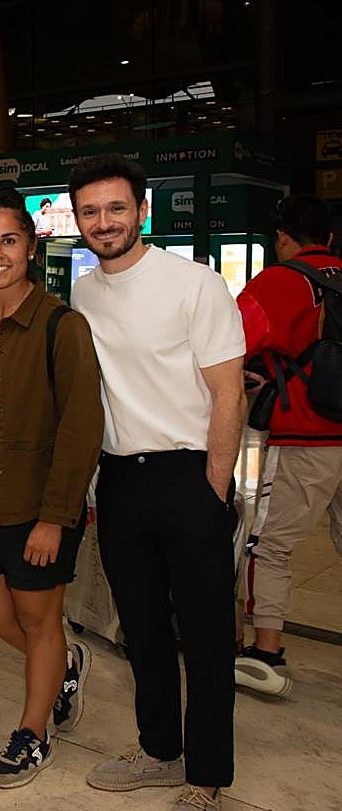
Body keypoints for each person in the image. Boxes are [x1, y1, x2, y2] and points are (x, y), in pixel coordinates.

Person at [70, 154, 246, 811]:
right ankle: (160, 752)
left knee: (205, 637)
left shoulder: (195, 284)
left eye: (116, 208)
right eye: (91, 211)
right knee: (140, 632)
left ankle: (208, 774)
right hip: (120, 480)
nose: (104, 221)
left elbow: (229, 395)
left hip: (189, 474)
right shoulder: (85, 293)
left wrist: (213, 489)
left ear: (142, 211)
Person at [0, 188, 103, 788]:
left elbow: (81, 427)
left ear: (31, 248)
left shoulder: (62, 325)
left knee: (40, 620)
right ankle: (65, 662)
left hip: (36, 506)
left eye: (9, 241)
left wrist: (54, 518)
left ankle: (33, 733)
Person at [236, 194, 339, 697]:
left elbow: (229, 341)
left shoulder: (280, 281)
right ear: (331, 237)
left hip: (307, 435)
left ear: (281, 238)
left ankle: (266, 656)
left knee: (270, 546)